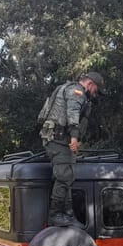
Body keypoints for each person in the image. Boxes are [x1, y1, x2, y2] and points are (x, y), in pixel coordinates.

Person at [38, 72, 104, 228]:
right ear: (90, 84)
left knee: (67, 176)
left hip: (58, 139)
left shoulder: (68, 88)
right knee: (64, 176)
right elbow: (72, 113)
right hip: (58, 139)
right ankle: (55, 215)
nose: (95, 94)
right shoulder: (77, 92)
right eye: (96, 90)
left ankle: (67, 213)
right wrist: (75, 137)